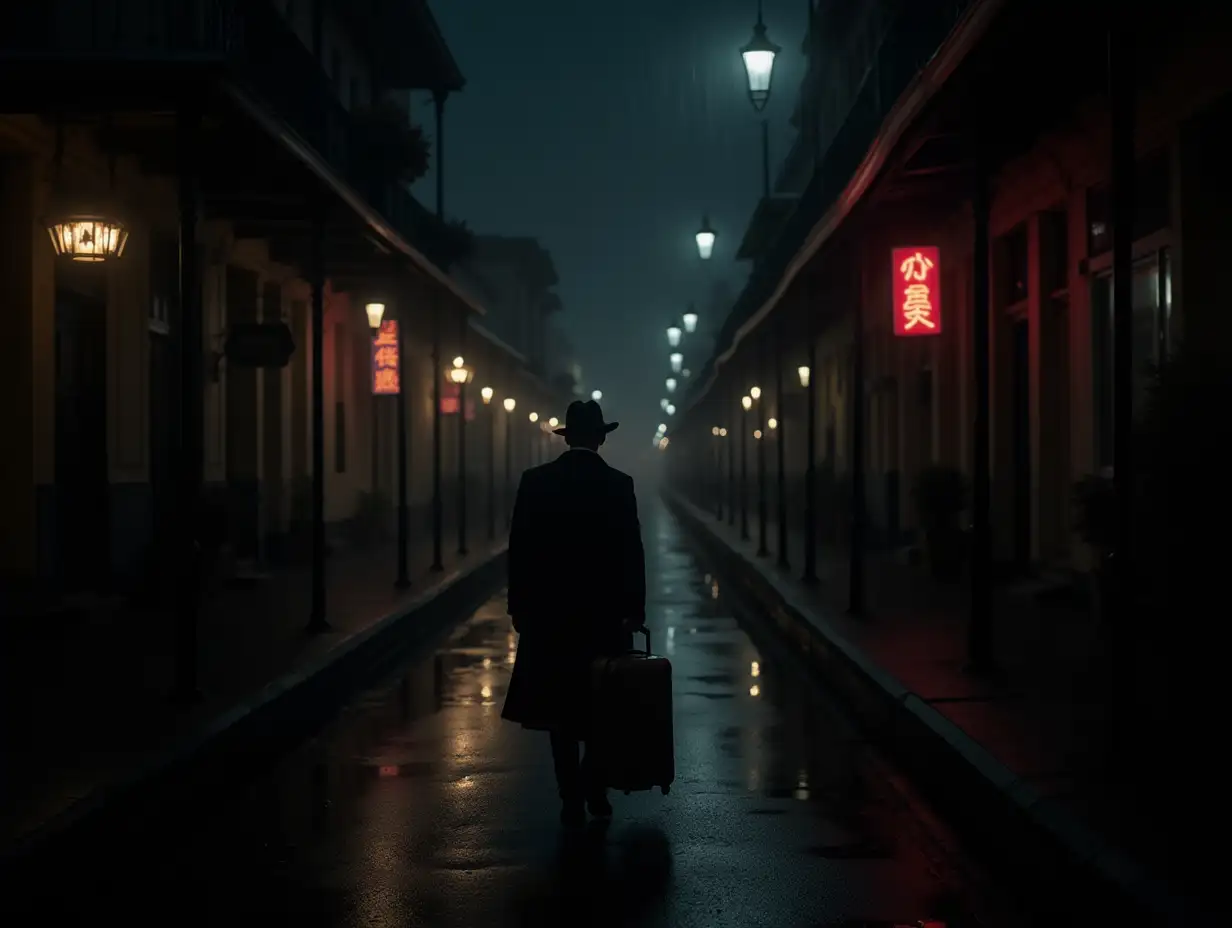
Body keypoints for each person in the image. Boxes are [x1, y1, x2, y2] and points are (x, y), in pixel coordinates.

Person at [500, 399, 646, 826]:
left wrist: (518, 606)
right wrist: (633, 609)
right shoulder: (619, 484)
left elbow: (520, 550)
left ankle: (569, 798)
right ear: (601, 438)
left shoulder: (536, 481)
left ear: (567, 437)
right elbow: (630, 553)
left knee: (560, 709)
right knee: (601, 705)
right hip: (603, 618)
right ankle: (595, 787)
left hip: (551, 617)